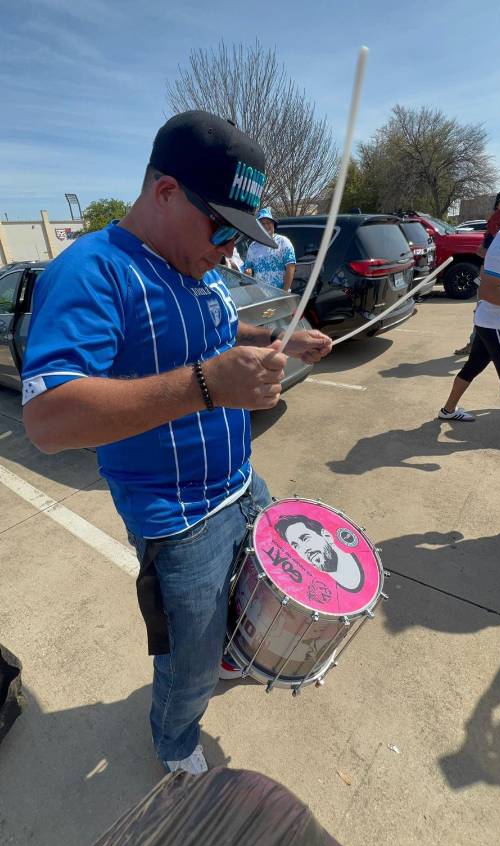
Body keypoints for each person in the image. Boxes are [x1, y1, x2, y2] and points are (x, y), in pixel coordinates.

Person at [21, 111, 332, 777]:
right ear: (165, 193)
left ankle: (215, 662)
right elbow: (47, 420)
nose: (230, 249)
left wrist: (278, 341)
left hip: (241, 482)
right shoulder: (93, 272)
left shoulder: (198, 267)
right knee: (189, 659)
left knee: (248, 607)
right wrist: (207, 384)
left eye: (239, 235)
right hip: (179, 517)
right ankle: (174, 738)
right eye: (223, 228)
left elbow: (216, 332)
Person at [439, 225, 500, 421]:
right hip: (498, 324)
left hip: (489, 321)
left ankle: (448, 410)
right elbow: (488, 291)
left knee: (474, 365)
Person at [454, 190, 500, 356]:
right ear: (498, 204)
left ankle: (477, 347)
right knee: (482, 310)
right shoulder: (495, 221)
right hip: (491, 275)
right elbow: (482, 250)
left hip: (498, 275)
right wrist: (490, 254)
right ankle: (474, 345)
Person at [274, 514, 364, 592]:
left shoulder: (365, 564)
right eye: (296, 546)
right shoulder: (320, 587)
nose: (304, 549)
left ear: (326, 536)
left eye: (305, 538)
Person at [244, 207, 296, 291]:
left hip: (280, 294)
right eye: (262, 223)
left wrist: (285, 292)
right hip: (261, 295)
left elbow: (291, 267)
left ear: (273, 224)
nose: (265, 226)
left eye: (268, 223)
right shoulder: (253, 246)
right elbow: (248, 268)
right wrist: (248, 271)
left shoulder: (283, 242)